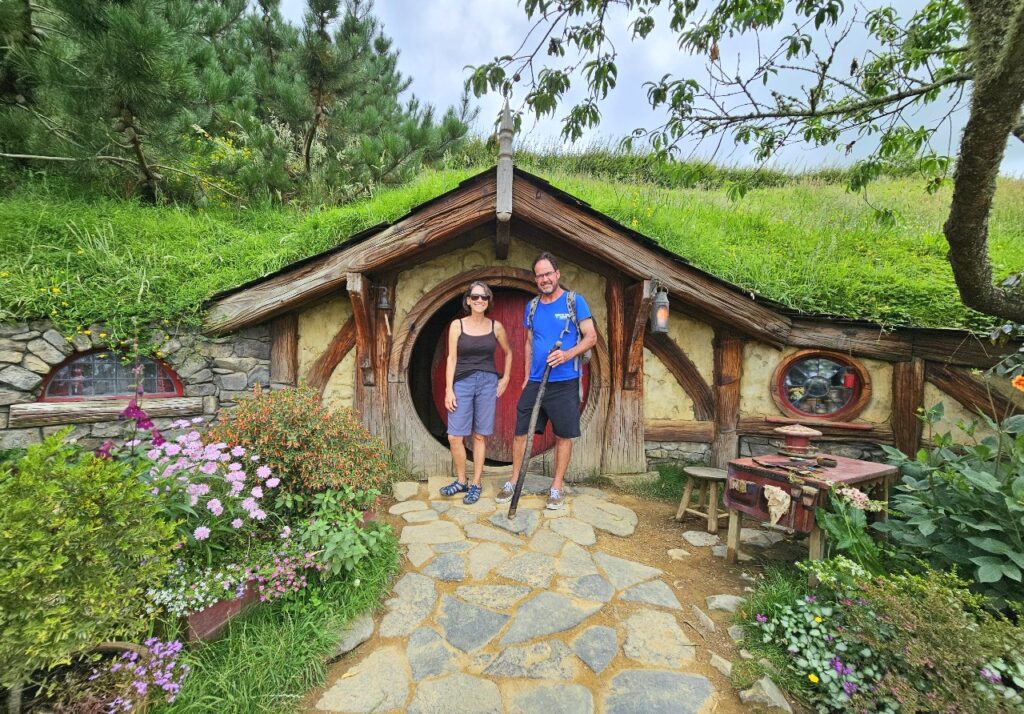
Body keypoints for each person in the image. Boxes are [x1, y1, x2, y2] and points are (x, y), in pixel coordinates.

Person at [495, 252, 597, 510]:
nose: (544, 279)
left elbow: (591, 337)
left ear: (557, 274)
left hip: (565, 382)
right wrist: (529, 374)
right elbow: (529, 342)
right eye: (539, 275)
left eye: (548, 273)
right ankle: (514, 482)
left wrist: (567, 354)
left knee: (563, 436)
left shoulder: (575, 302)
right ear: (536, 279)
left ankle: (556, 488)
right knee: (520, 433)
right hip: (536, 382)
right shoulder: (532, 306)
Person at [438, 280, 512, 504]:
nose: (480, 300)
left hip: (488, 382)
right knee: (454, 436)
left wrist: (506, 378)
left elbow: (508, 353)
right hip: (462, 382)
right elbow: (451, 358)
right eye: (476, 297)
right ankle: (461, 481)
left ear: (488, 301)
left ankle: (476, 484)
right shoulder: (457, 326)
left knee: (480, 435)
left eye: (484, 297)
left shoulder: (495, 326)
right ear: (468, 300)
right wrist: (448, 389)